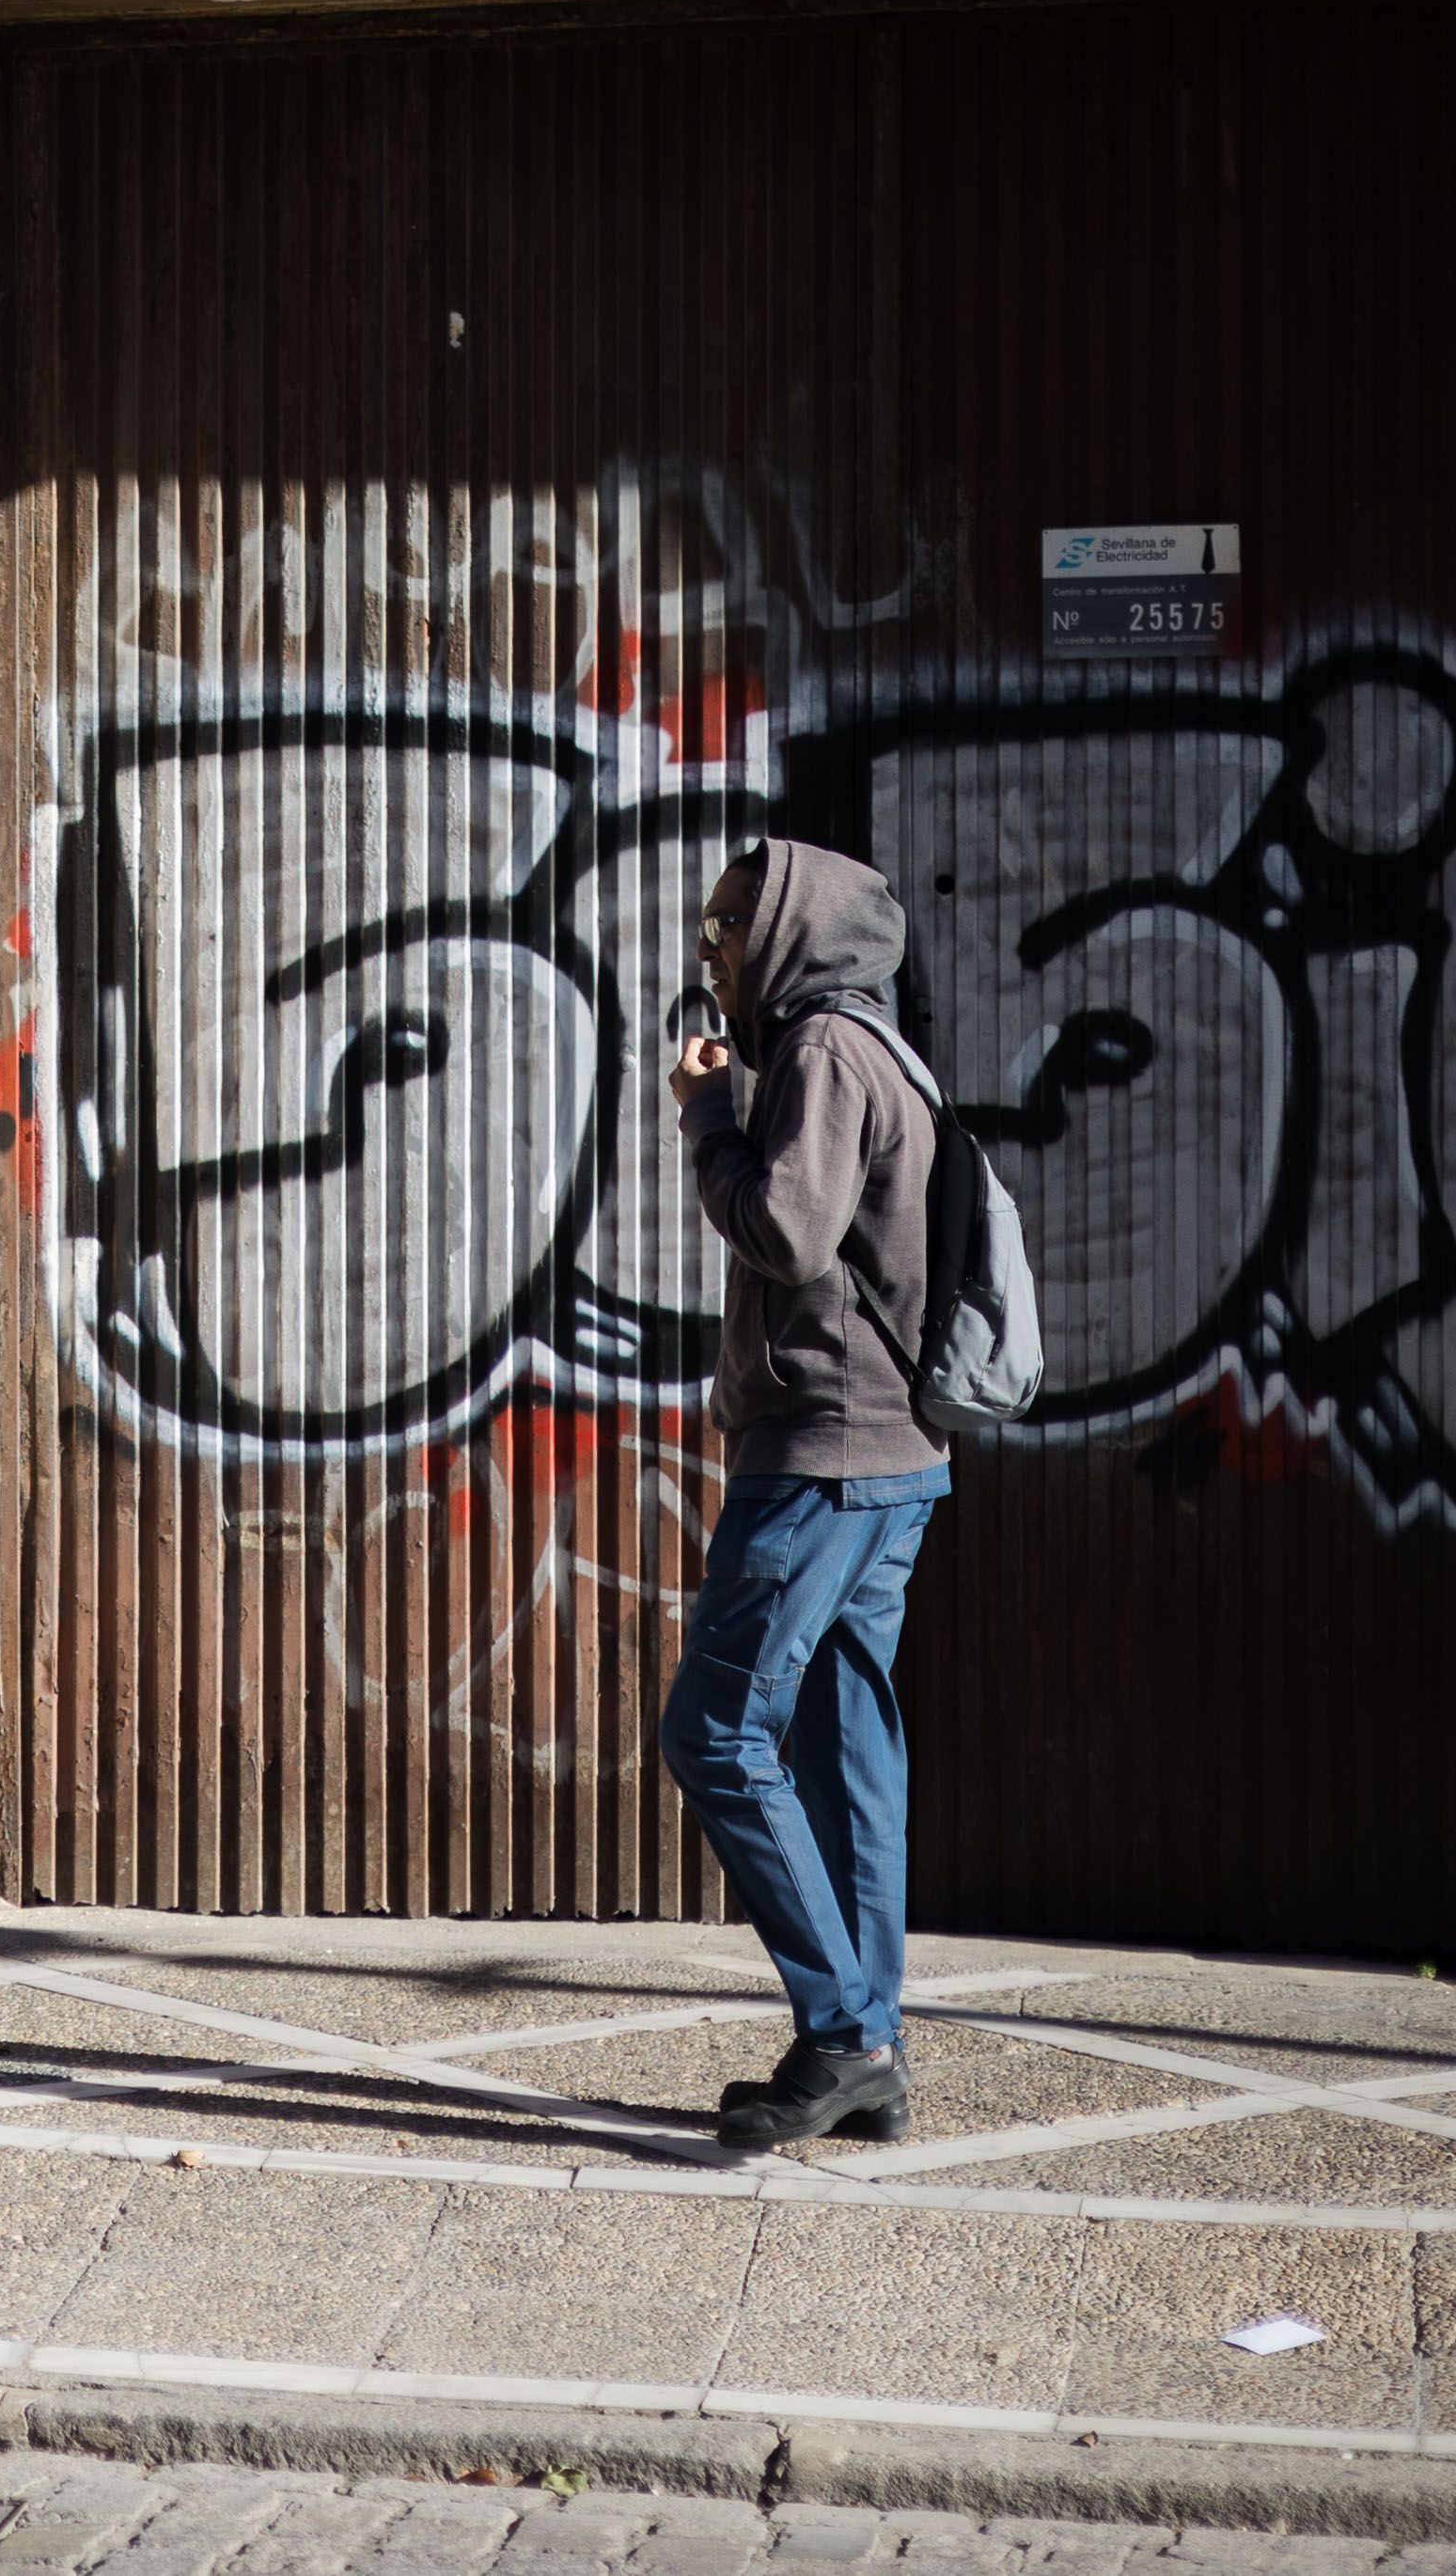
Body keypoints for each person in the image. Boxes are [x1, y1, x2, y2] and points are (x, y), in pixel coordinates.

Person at [658, 839, 950, 2151]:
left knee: (715, 1730)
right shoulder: (873, 1047)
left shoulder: (828, 1052)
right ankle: (866, 2045)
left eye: (731, 923)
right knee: (846, 1752)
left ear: (792, 929)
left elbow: (786, 1231)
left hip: (825, 1461)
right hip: (891, 1463)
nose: (711, 946)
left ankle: (845, 2031)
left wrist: (709, 1120)